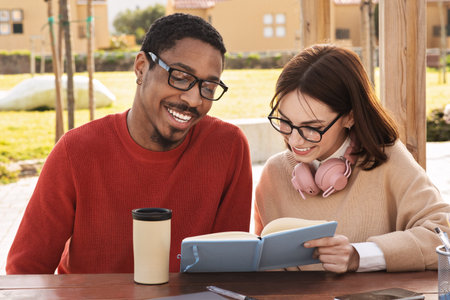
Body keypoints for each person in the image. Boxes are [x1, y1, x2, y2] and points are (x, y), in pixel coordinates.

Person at [7, 13, 253, 274]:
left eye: (209, 87)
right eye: (180, 77)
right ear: (141, 68)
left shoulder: (228, 148)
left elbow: (229, 269)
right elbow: (25, 271)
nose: (194, 99)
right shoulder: (76, 151)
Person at [255, 44, 450, 273]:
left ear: (350, 116)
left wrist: (360, 255)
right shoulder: (274, 173)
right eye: (285, 122)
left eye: (312, 127)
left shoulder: (388, 160)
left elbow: (443, 237)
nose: (295, 141)